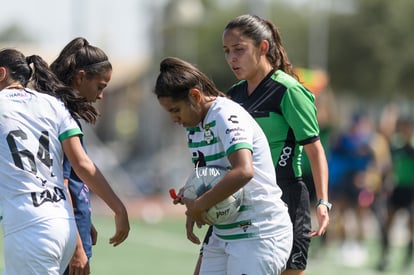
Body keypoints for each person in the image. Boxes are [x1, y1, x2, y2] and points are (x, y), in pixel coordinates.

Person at [154, 56, 293, 274]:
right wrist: (191, 195)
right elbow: (211, 175)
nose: (174, 118)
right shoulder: (194, 126)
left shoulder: (225, 115)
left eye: (175, 110)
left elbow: (243, 171)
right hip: (224, 233)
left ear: (195, 96)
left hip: (259, 233)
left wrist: (199, 205)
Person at [0, 48, 130, 274]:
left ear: (1, 73)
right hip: (64, 226)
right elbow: (83, 165)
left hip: (27, 228)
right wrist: (118, 209)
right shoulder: (53, 104)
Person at [219, 14, 331, 275]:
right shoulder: (233, 95)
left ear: (263, 47)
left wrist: (324, 201)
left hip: (287, 198)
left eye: (239, 49)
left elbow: (316, 151)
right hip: (245, 198)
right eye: (226, 51)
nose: (232, 58)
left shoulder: (288, 91)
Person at [50, 37, 112, 275]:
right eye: (100, 87)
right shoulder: (62, 119)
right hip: (67, 237)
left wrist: (85, 218)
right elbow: (61, 184)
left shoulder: (65, 116)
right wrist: (76, 245)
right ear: (80, 77)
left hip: (73, 227)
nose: (100, 96)